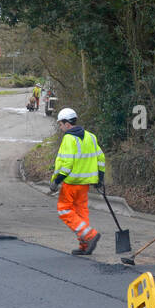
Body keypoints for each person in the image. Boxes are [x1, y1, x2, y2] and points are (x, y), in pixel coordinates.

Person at [49, 108, 106, 255]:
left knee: (64, 210)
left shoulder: (68, 139)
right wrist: (100, 178)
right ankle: (85, 245)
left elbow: (67, 165)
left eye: (60, 124)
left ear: (67, 124)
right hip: (84, 185)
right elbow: (101, 158)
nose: (60, 127)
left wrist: (56, 181)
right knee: (81, 213)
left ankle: (90, 235)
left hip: (71, 183)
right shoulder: (91, 137)